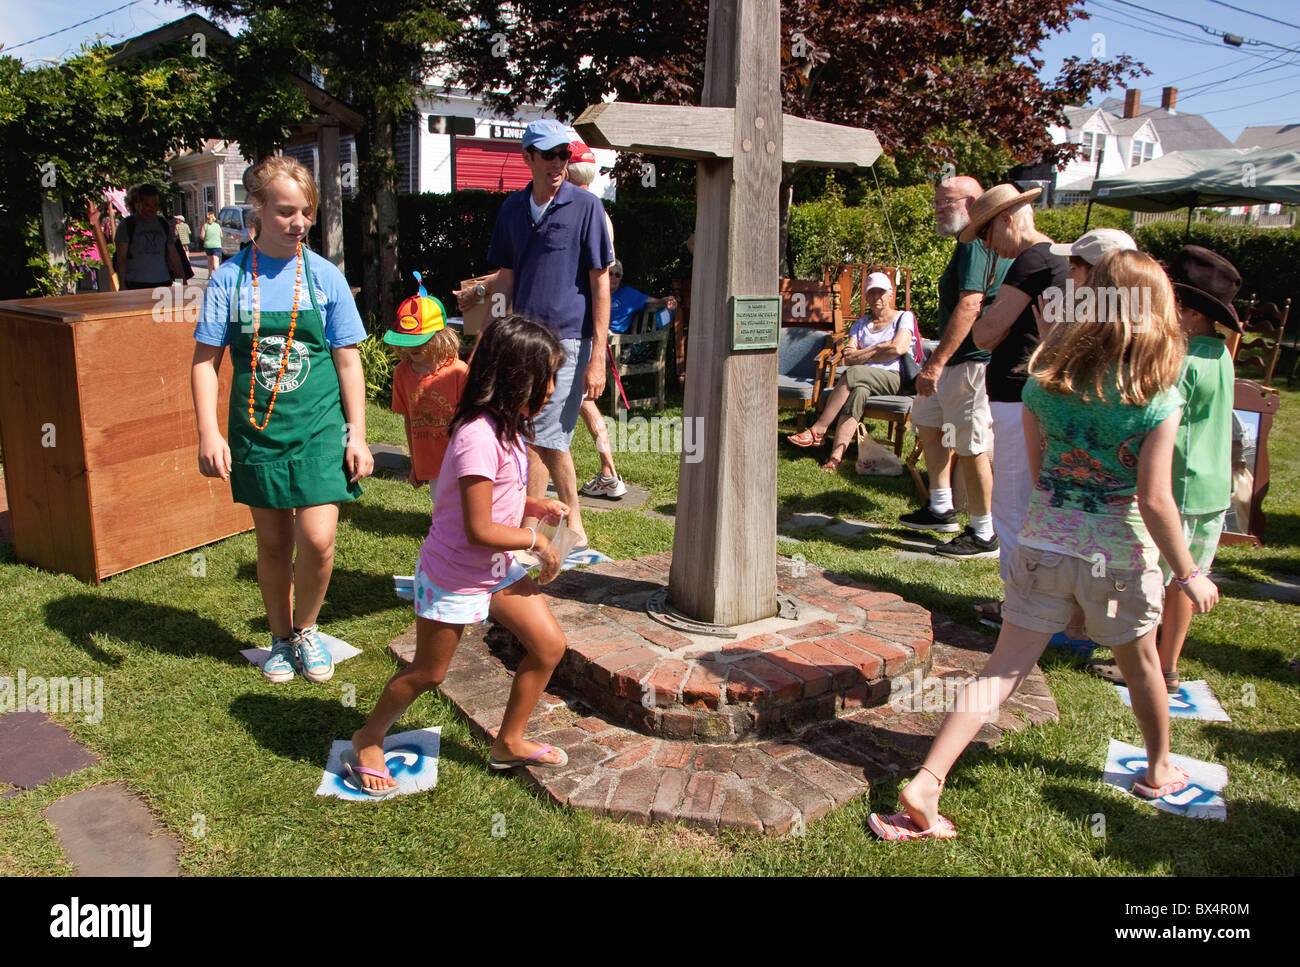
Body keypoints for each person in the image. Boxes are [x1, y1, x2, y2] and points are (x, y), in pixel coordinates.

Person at [868, 250, 1220, 840]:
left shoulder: (1043, 384)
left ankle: (927, 779)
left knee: (1001, 670)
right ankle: (1160, 769)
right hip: (1120, 556)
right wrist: (1189, 572)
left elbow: (1038, 478)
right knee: (1143, 667)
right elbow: (1155, 500)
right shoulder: (1157, 396)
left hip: (1040, 545)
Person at [344, 315, 573, 794]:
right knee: (430, 671)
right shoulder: (477, 436)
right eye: (546, 376)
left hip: (495, 569)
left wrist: (535, 506)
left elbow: (496, 500)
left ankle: (508, 741)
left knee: (549, 647)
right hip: (455, 573)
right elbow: (479, 528)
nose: (551, 388)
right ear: (517, 376)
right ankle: (367, 737)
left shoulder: (508, 429)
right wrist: (538, 541)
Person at [190, 156, 373, 684]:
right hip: (257, 431)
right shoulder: (229, 279)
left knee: (317, 539)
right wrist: (208, 432)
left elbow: (347, 361)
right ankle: (279, 636)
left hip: (319, 429)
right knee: (272, 544)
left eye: (306, 213)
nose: (298, 223)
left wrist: (356, 434)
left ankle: (308, 628)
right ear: (259, 210)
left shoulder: (324, 278)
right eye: (286, 211)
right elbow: (206, 363)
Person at [455, 120, 613, 553]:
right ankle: (571, 523)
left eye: (564, 154)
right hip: (523, 340)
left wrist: (599, 354)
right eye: (550, 154)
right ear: (528, 157)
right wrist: (486, 338)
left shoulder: (586, 208)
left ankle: (527, 530)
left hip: (569, 341)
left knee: (541, 432)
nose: (559, 163)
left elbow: (601, 282)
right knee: (536, 432)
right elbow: (506, 278)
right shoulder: (511, 210)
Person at [1088, 246, 1240, 694]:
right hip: (1213, 489)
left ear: (1189, 312)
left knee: (1158, 579)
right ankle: (1168, 664)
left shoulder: (1182, 361)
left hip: (1179, 487)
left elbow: (1150, 413)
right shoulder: (1220, 352)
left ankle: (1147, 663)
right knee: (1186, 580)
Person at [897, 176, 1009, 563]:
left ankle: (983, 533)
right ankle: (940, 508)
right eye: (937, 203)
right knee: (928, 422)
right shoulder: (965, 244)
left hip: (970, 365)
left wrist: (938, 361)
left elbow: (970, 305)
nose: (939, 209)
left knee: (971, 446)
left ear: (974, 202)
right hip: (951, 362)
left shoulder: (976, 244)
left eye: (947, 202)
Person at [969, 185, 1068, 572]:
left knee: (1011, 501)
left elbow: (987, 332)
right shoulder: (1060, 260)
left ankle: (1017, 604)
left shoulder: (1033, 260)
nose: (987, 246)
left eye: (986, 233)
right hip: (1041, 392)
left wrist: (986, 319)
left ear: (1007, 220)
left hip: (1017, 396)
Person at [788, 271, 916, 472]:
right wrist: (879, 349)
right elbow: (848, 357)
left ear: (890, 294)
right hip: (864, 380)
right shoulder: (861, 324)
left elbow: (898, 348)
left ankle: (819, 429)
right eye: (871, 293)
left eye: (881, 292)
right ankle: (834, 459)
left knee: (853, 373)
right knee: (858, 393)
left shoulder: (903, 317)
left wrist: (866, 353)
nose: (876, 298)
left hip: (895, 378)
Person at [580, 258, 679, 496]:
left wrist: (668, 302)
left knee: (582, 383)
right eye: (610, 273)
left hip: (615, 346)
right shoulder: (591, 291)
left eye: (617, 275)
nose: (613, 278)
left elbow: (657, 302)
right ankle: (609, 474)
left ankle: (609, 474)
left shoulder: (629, 295)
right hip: (593, 343)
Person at [384, 290, 468, 492]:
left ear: (440, 335)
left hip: (461, 461)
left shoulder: (459, 372)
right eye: (408, 340)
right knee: (440, 508)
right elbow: (408, 419)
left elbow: (471, 421)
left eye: (421, 340)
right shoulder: (402, 373)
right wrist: (415, 463)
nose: (413, 348)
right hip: (429, 462)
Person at [114, 184, 184, 289]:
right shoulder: (127, 225)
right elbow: (121, 258)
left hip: (163, 283)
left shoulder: (163, 223)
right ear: (138, 203)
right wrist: (122, 285)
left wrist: (181, 285)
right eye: (147, 205)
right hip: (136, 284)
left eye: (155, 205)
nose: (152, 209)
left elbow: (173, 256)